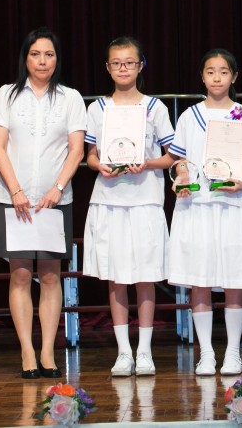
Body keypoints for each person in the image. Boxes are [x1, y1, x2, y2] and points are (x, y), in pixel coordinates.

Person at [0, 27, 86, 379]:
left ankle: (47, 351)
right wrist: (16, 191)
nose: (42, 61)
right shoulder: (7, 94)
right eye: (35, 54)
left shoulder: (71, 98)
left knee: (49, 275)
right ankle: (27, 352)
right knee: (19, 274)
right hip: (12, 199)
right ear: (25, 58)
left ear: (57, 59)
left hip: (54, 201)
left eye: (49, 54)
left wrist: (58, 188)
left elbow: (76, 151)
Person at [83, 36, 175, 377]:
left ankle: (145, 351)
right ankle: (123, 352)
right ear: (108, 68)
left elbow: (171, 155)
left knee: (145, 276)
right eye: (117, 63)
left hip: (145, 200)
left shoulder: (155, 108)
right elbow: (90, 155)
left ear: (141, 66)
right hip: (109, 201)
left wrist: (147, 163)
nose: (123, 68)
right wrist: (99, 166)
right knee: (116, 277)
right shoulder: (97, 108)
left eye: (129, 62)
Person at [167, 49, 242, 376]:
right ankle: (206, 353)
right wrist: (182, 175)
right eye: (210, 71)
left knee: (234, 280)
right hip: (197, 205)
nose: (217, 77)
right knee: (199, 280)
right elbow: (179, 160)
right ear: (202, 77)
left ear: (234, 77)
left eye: (223, 71)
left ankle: (233, 352)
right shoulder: (189, 116)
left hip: (232, 205)